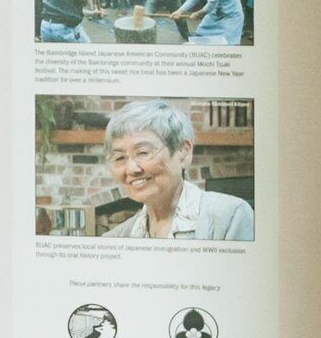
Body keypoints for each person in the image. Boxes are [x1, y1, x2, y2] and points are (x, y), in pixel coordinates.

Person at [94, 100, 257, 240]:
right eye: (120, 158)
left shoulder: (230, 217)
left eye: (143, 152)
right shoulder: (115, 237)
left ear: (183, 152)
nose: (131, 169)